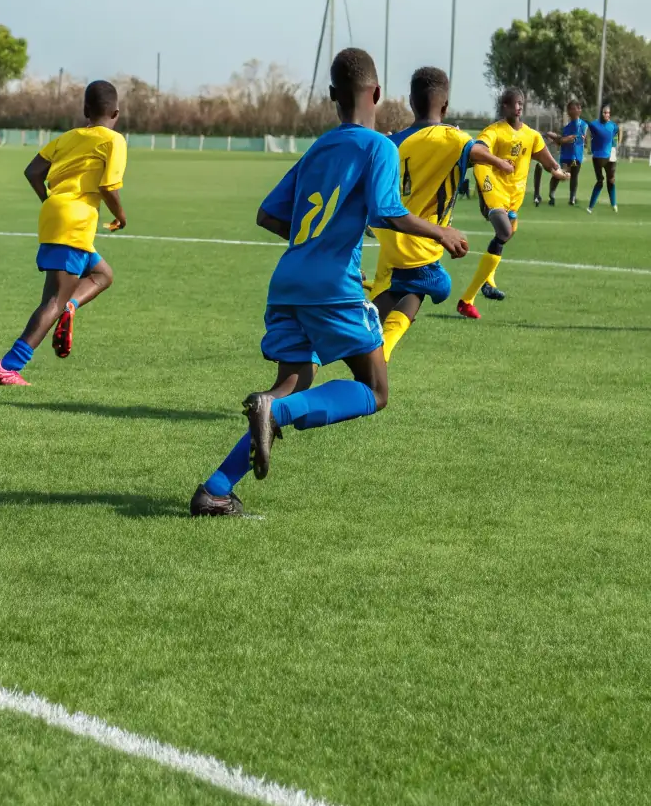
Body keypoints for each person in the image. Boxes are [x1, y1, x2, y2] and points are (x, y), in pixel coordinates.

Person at [189, 48, 469, 517]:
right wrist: (441, 231)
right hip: (331, 285)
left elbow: (268, 214)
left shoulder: (319, 147)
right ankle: (272, 413)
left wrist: (317, 245)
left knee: (294, 382)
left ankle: (215, 489)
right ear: (377, 94)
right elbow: (386, 211)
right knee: (375, 391)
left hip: (288, 281)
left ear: (332, 97)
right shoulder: (379, 146)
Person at [370, 67, 514, 361]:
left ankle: (367, 328)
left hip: (390, 238)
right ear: (445, 106)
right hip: (421, 242)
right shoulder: (453, 139)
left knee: (389, 294)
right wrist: (501, 163)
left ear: (411, 102)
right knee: (439, 284)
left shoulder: (393, 143)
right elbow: (476, 152)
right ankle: (379, 350)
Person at [0, 80, 126, 386]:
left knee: (103, 274)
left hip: (55, 214)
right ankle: (8, 367)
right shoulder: (114, 140)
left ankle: (71, 306)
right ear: (116, 113)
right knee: (52, 300)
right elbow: (108, 186)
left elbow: (33, 172)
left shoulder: (67, 137)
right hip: (75, 222)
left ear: (85, 110)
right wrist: (121, 216)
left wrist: (50, 201)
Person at [457, 87, 568, 319]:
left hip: (513, 195)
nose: (518, 106)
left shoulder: (532, 136)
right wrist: (499, 163)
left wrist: (557, 172)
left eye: (521, 103)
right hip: (491, 184)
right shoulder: (494, 131)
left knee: (507, 233)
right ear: (504, 106)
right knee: (504, 230)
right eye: (514, 103)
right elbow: (478, 151)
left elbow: (547, 161)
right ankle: (471, 295)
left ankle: (476, 292)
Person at [534, 100, 587, 207]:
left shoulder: (581, 124)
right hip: (565, 155)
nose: (570, 111)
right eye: (569, 109)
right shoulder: (567, 127)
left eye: (573, 108)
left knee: (574, 175)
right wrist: (556, 140)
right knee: (558, 175)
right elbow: (562, 142)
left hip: (575, 155)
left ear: (578, 110)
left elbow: (569, 139)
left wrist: (555, 137)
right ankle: (552, 195)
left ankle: (572, 198)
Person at [587, 102, 620, 212]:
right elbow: (587, 134)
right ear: (601, 113)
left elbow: (617, 133)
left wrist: (615, 146)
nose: (607, 115)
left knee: (611, 180)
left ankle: (614, 204)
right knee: (600, 181)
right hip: (598, 157)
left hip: (610, 156)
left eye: (608, 113)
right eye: (605, 112)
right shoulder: (593, 125)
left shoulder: (613, 126)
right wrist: (589, 146)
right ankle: (590, 207)